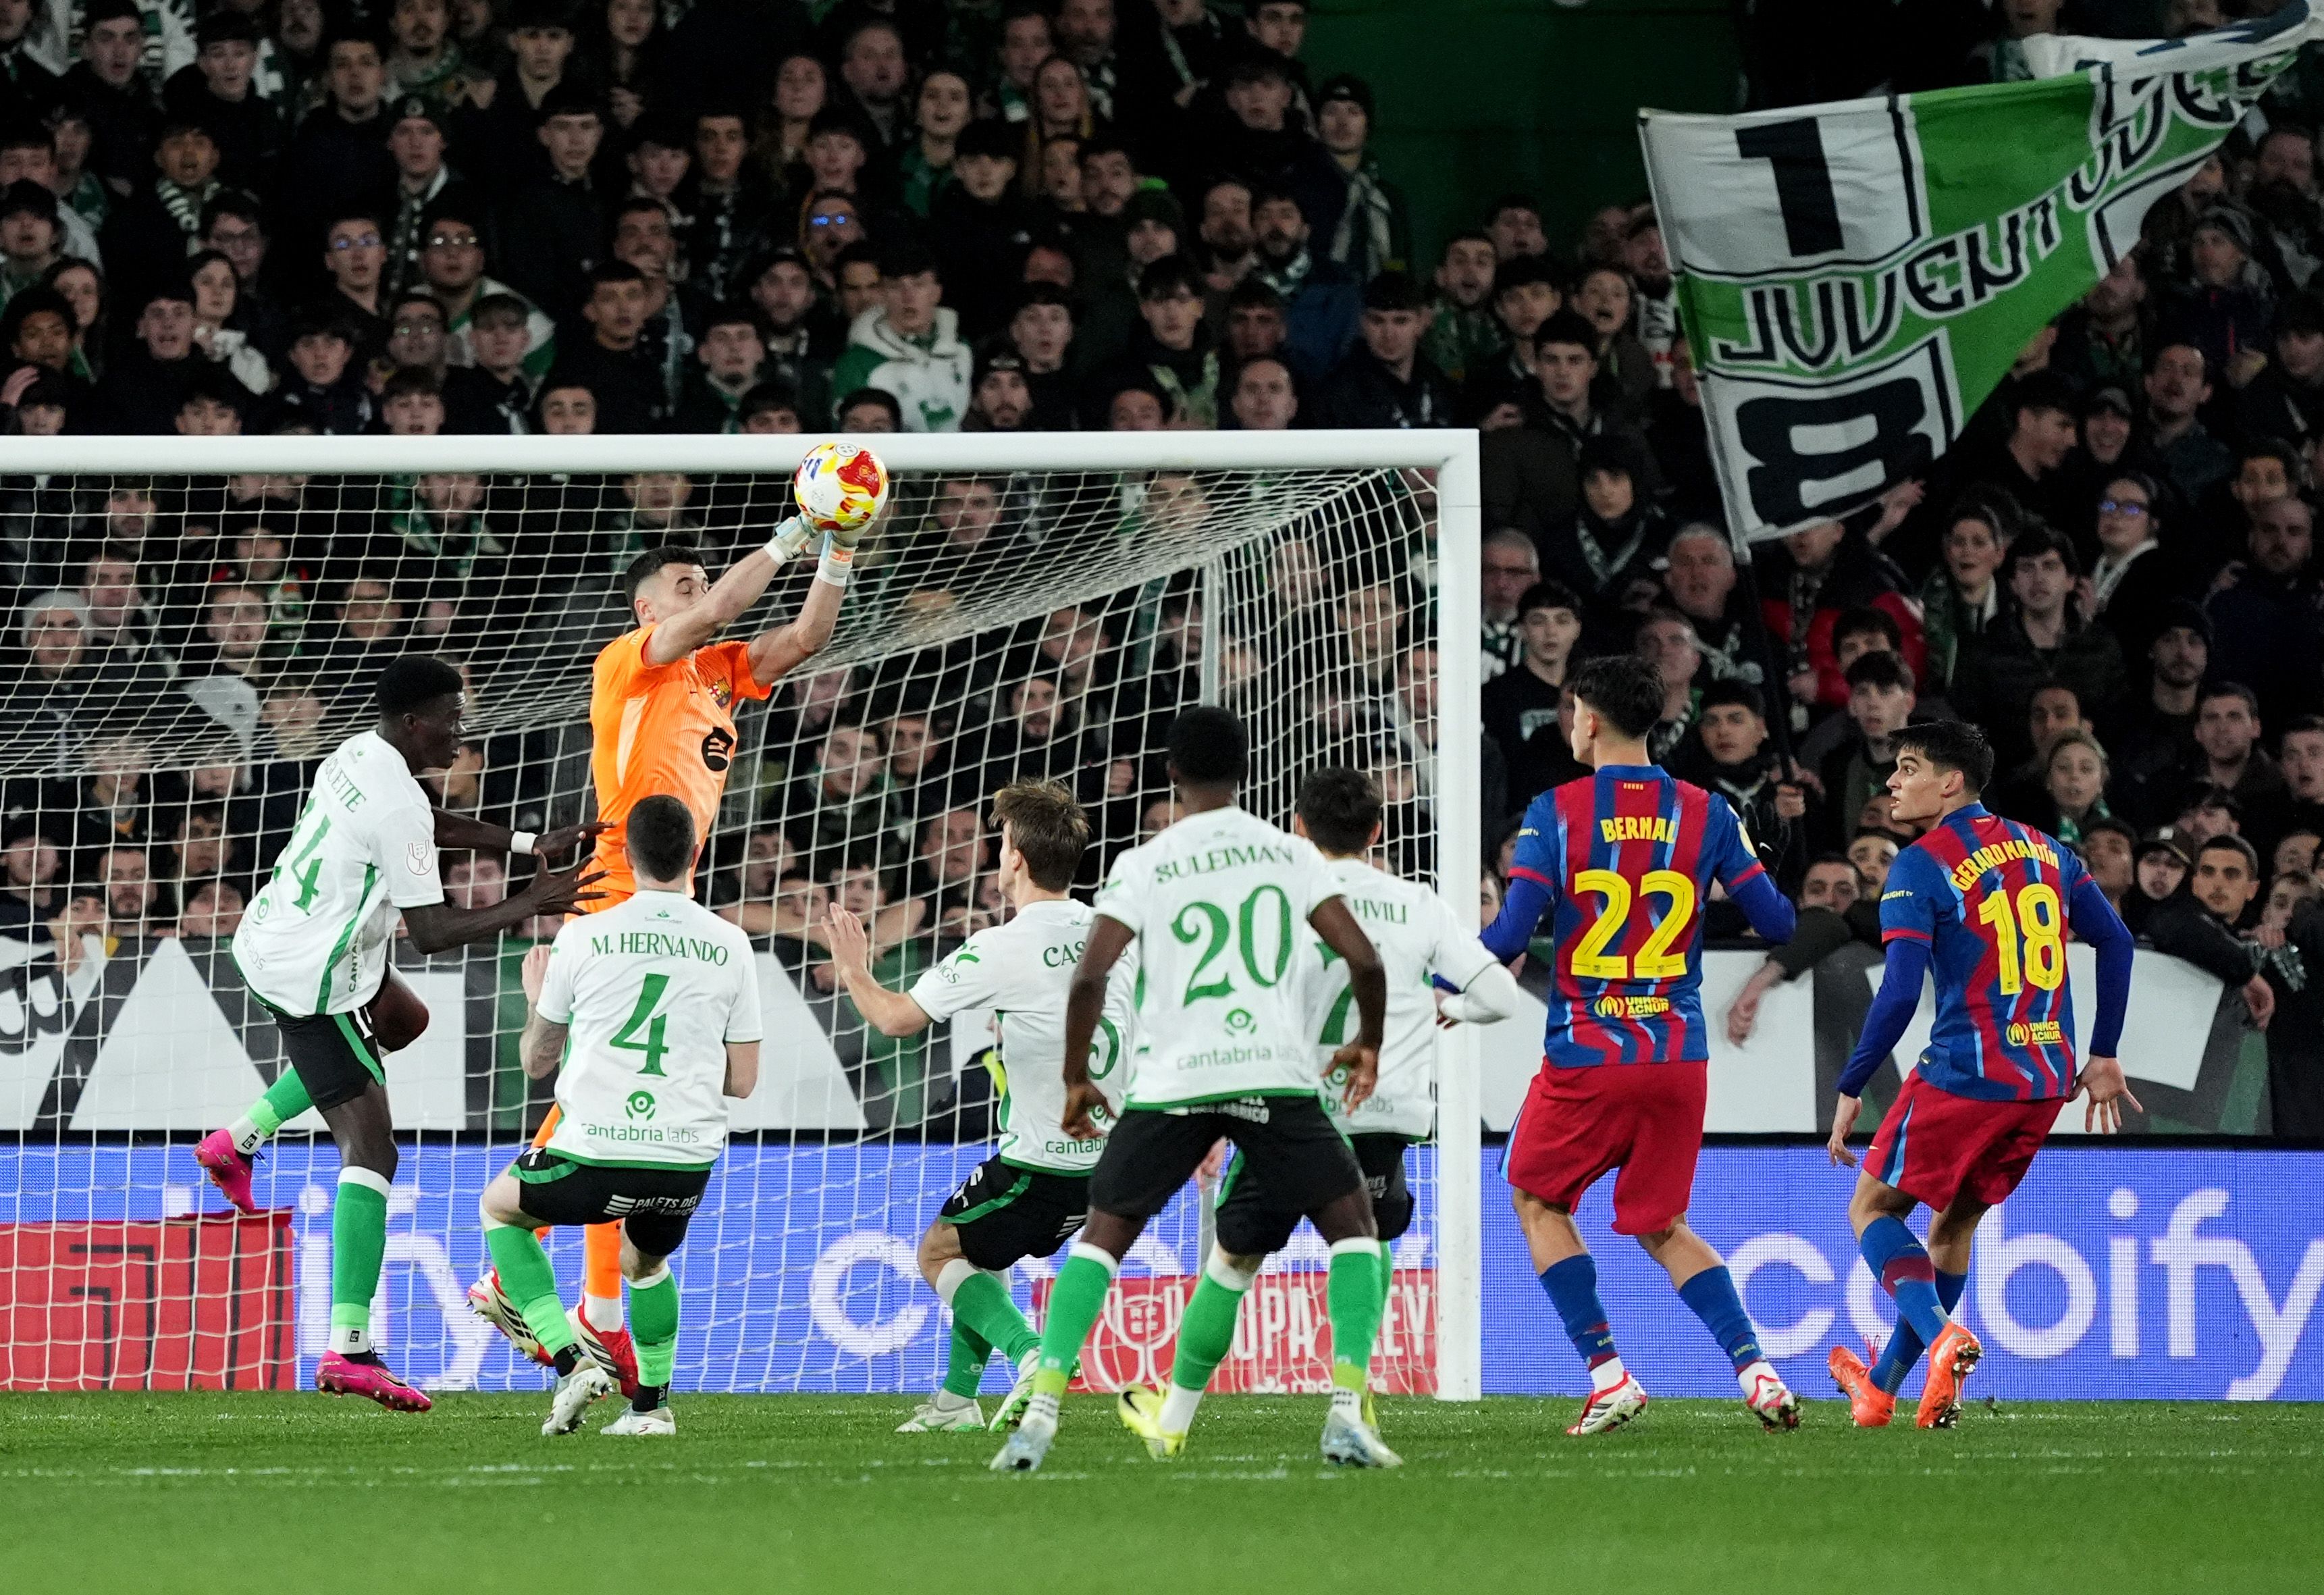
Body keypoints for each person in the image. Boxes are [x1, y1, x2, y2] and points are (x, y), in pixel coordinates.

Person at [468, 500, 862, 1390]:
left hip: (674, 886)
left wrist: (835, 549)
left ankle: (581, 1304)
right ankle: (588, 1307)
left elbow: (804, 633)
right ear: (651, 611)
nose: (702, 593)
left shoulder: (720, 674)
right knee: (606, 1091)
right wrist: (793, 533)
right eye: (682, 585)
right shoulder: (628, 666)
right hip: (617, 881)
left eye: (700, 579)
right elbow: (721, 609)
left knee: (614, 1101)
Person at [989, 705, 1400, 1473]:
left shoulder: (1146, 862)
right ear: (1245, 769)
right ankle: (1345, 1411)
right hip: (1272, 1073)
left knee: (1104, 1236)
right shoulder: (1288, 852)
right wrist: (1367, 1044)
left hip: (1174, 1076)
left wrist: (1076, 1078)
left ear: (1171, 772)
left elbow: (1092, 973)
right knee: (1353, 1230)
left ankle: (1040, 1413)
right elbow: (1366, 961)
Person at [192, 656, 601, 1410]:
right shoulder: (393, 803)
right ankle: (348, 1348)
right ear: (414, 722)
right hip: (311, 979)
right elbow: (436, 932)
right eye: (451, 718)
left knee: (405, 1020)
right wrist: (533, 902)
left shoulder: (361, 752)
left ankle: (237, 1139)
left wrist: (524, 845)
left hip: (283, 933)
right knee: (373, 1150)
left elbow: (425, 819)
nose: (462, 731)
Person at [1115, 767, 1521, 1458]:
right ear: (1378, 832)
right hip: (1387, 1112)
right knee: (1362, 1246)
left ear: (1297, 829)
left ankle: (1174, 1418)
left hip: (1296, 1109)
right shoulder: (1417, 904)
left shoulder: (1284, 902)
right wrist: (1445, 1007)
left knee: (1233, 1259)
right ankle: (1349, 1400)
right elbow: (1501, 998)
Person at [1477, 655, 1801, 1436]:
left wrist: (1444, 959)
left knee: (1537, 1199)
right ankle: (1757, 1372)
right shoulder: (1709, 812)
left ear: (1588, 717)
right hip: (1676, 1054)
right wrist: (1763, 851)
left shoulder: (1553, 811)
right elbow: (1782, 924)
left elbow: (1511, 936)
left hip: (1589, 1050)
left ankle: (1608, 1373)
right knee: (1663, 1223)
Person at [1826, 720, 2137, 1431]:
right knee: (1954, 1227)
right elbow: (2115, 940)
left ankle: (1942, 1338)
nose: (1892, 783)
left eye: (1908, 768)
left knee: (1871, 1210)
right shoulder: (2046, 848)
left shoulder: (1919, 864)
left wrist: (1851, 1084)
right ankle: (1882, 1391)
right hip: (2044, 1077)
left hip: (1965, 1069)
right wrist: (2105, 1051)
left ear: (1952, 781)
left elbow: (1900, 993)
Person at [820, 781, 1138, 1434]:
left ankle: (1032, 1356)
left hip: (1040, 1162)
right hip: (1110, 1162)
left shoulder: (1002, 945)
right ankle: (957, 1401)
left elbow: (896, 1018)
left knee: (938, 1252)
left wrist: (854, 966)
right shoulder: (1118, 936)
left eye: (999, 843)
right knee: (980, 1258)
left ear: (1014, 857)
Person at [475, 795, 761, 1437]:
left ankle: (573, 1361)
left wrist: (535, 1001)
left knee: (500, 1210)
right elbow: (743, 1082)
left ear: (628, 859)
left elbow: (535, 1063)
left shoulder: (582, 935)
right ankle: (652, 1407)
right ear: (695, 855)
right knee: (644, 1265)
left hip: (594, 1155)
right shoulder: (732, 944)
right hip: (683, 1163)